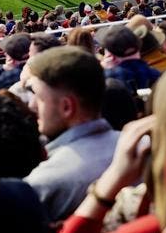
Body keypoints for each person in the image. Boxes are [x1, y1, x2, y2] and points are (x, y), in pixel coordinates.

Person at [20, 46, 117, 221]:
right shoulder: (144, 148)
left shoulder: (42, 183)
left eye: (40, 98)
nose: (32, 105)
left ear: (67, 107)